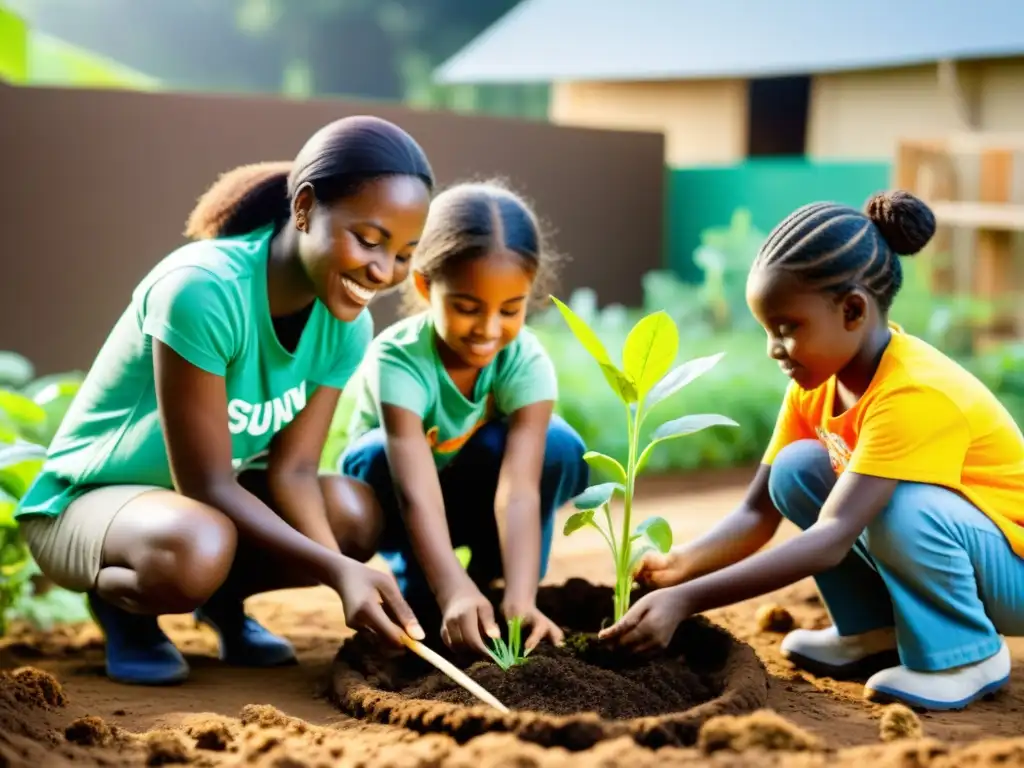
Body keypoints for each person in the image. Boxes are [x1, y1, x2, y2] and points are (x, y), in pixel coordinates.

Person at [15, 115, 436, 686]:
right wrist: (337, 572)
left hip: (198, 515)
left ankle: (222, 602)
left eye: (405, 253)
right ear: (305, 207)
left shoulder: (346, 324)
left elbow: (294, 470)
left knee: (352, 515)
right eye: (368, 240)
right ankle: (123, 608)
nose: (383, 272)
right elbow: (207, 483)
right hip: (87, 506)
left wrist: (344, 564)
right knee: (198, 543)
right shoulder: (203, 290)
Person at [599, 190, 1024, 711]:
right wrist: (681, 566)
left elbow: (831, 538)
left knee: (893, 501)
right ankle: (874, 631)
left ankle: (965, 653)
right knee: (797, 471)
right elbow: (758, 510)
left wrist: (686, 601)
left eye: (787, 329)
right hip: (969, 550)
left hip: (1013, 572)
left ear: (852, 310)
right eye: (766, 331)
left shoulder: (913, 392)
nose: (774, 349)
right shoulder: (816, 381)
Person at [339, 180, 588, 656]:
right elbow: (414, 492)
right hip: (401, 501)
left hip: (483, 497)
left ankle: (493, 584)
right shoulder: (400, 359)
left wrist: (521, 596)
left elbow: (520, 489)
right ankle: (424, 586)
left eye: (510, 309)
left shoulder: (524, 359)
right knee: (375, 454)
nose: (489, 330)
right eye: (467, 308)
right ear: (424, 285)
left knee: (557, 444)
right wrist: (448, 587)